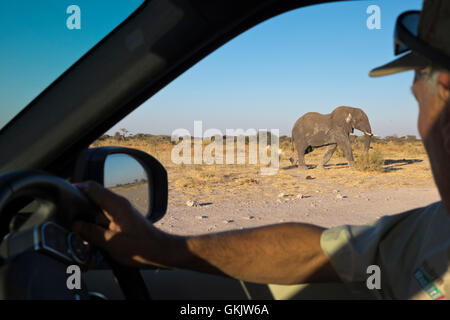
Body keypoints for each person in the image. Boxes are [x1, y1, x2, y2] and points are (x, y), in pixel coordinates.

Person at [73, 0, 450, 299]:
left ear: (444, 91)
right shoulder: (429, 231)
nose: (421, 122)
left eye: (417, 98)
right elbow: (319, 253)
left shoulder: (431, 231)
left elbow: (321, 252)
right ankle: (301, 165)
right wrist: (163, 249)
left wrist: (162, 249)